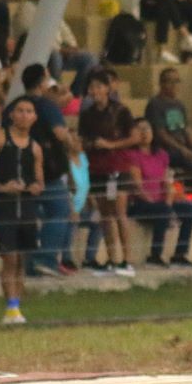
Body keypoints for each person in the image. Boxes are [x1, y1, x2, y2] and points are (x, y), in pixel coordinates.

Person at [0, 96, 43, 324]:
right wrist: (1, 187)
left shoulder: (35, 147)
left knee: (22, 259)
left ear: (34, 117)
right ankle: (11, 307)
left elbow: (40, 179)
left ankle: (17, 306)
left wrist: (35, 187)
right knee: (9, 257)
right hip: (3, 205)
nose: (24, 115)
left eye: (29, 111)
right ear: (11, 114)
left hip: (26, 205)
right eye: (20, 110)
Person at [14, 63, 76, 278]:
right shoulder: (47, 106)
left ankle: (32, 265)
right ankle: (45, 258)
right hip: (47, 172)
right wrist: (72, 142)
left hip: (18, 169)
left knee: (30, 217)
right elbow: (60, 133)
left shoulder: (13, 106)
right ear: (42, 81)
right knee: (60, 212)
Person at [78, 71, 138, 276]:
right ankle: (113, 259)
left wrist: (111, 144)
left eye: (98, 86)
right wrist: (88, 144)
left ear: (107, 88)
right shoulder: (87, 115)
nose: (94, 91)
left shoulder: (120, 111)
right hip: (97, 167)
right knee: (105, 215)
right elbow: (82, 139)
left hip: (117, 168)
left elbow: (134, 137)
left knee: (119, 212)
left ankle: (127, 260)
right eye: (91, 87)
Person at [126, 118, 192, 268]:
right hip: (140, 203)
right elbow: (137, 187)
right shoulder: (132, 155)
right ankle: (155, 255)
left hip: (161, 203)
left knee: (190, 210)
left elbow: (167, 182)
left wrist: (168, 204)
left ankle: (180, 255)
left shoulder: (161, 154)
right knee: (163, 211)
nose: (144, 133)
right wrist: (162, 207)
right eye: (140, 129)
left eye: (147, 129)